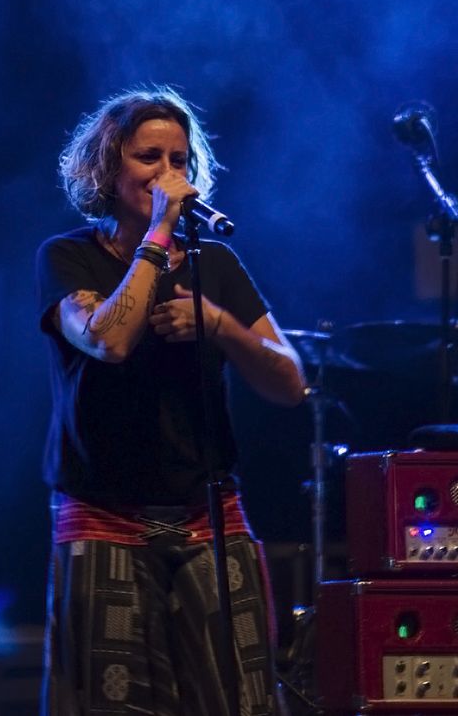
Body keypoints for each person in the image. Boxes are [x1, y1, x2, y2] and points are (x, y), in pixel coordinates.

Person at [37, 87, 305, 716]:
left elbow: (291, 383)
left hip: (207, 515)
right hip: (104, 518)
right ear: (108, 168)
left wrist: (221, 325)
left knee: (240, 699)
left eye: (179, 160)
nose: (167, 173)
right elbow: (107, 341)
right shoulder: (69, 256)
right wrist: (157, 233)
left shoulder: (216, 266)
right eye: (148, 157)